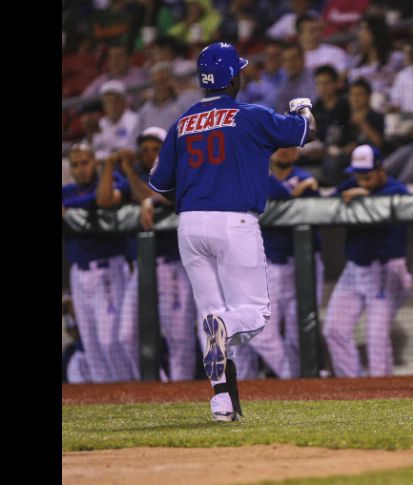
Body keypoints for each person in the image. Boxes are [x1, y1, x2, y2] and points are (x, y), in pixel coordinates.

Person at [149, 42, 316, 421]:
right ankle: (223, 330)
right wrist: (302, 104)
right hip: (234, 221)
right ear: (233, 76)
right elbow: (307, 131)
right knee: (253, 314)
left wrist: (201, 186)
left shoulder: (182, 122)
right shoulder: (250, 114)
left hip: (189, 224)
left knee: (209, 314)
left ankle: (223, 403)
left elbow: (159, 184)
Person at [113, 127, 199, 382]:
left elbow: (162, 195)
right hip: (143, 267)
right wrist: (128, 173)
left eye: (155, 149)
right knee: (126, 335)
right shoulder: (132, 176)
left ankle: (181, 391)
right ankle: (157, 386)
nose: (149, 154)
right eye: (145, 149)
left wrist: (148, 199)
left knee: (180, 337)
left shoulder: (179, 170)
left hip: (174, 264)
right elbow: (109, 198)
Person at [232, 146, 324, 379]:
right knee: (260, 331)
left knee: (298, 333)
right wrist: (294, 192)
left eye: (291, 146)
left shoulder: (304, 178)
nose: (286, 151)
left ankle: (304, 380)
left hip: (303, 266)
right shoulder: (259, 178)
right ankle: (292, 379)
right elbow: (274, 193)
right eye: (280, 146)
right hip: (269, 266)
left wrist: (300, 189)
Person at [322, 144, 412, 378]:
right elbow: (327, 204)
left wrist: (367, 199)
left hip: (386, 270)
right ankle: (353, 386)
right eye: (358, 174)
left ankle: (382, 395)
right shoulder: (353, 184)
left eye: (367, 175)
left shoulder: (396, 189)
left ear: (381, 169)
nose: (361, 180)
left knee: (376, 338)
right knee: (334, 329)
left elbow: (400, 201)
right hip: (355, 269)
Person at [62, 142, 133, 383]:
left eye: (85, 162)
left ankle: (130, 393)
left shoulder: (112, 180)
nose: (81, 169)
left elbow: (102, 199)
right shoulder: (68, 191)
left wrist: (70, 208)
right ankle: (107, 400)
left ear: (95, 162)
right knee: (91, 345)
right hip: (79, 274)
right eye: (75, 164)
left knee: (111, 341)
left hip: (108, 269)